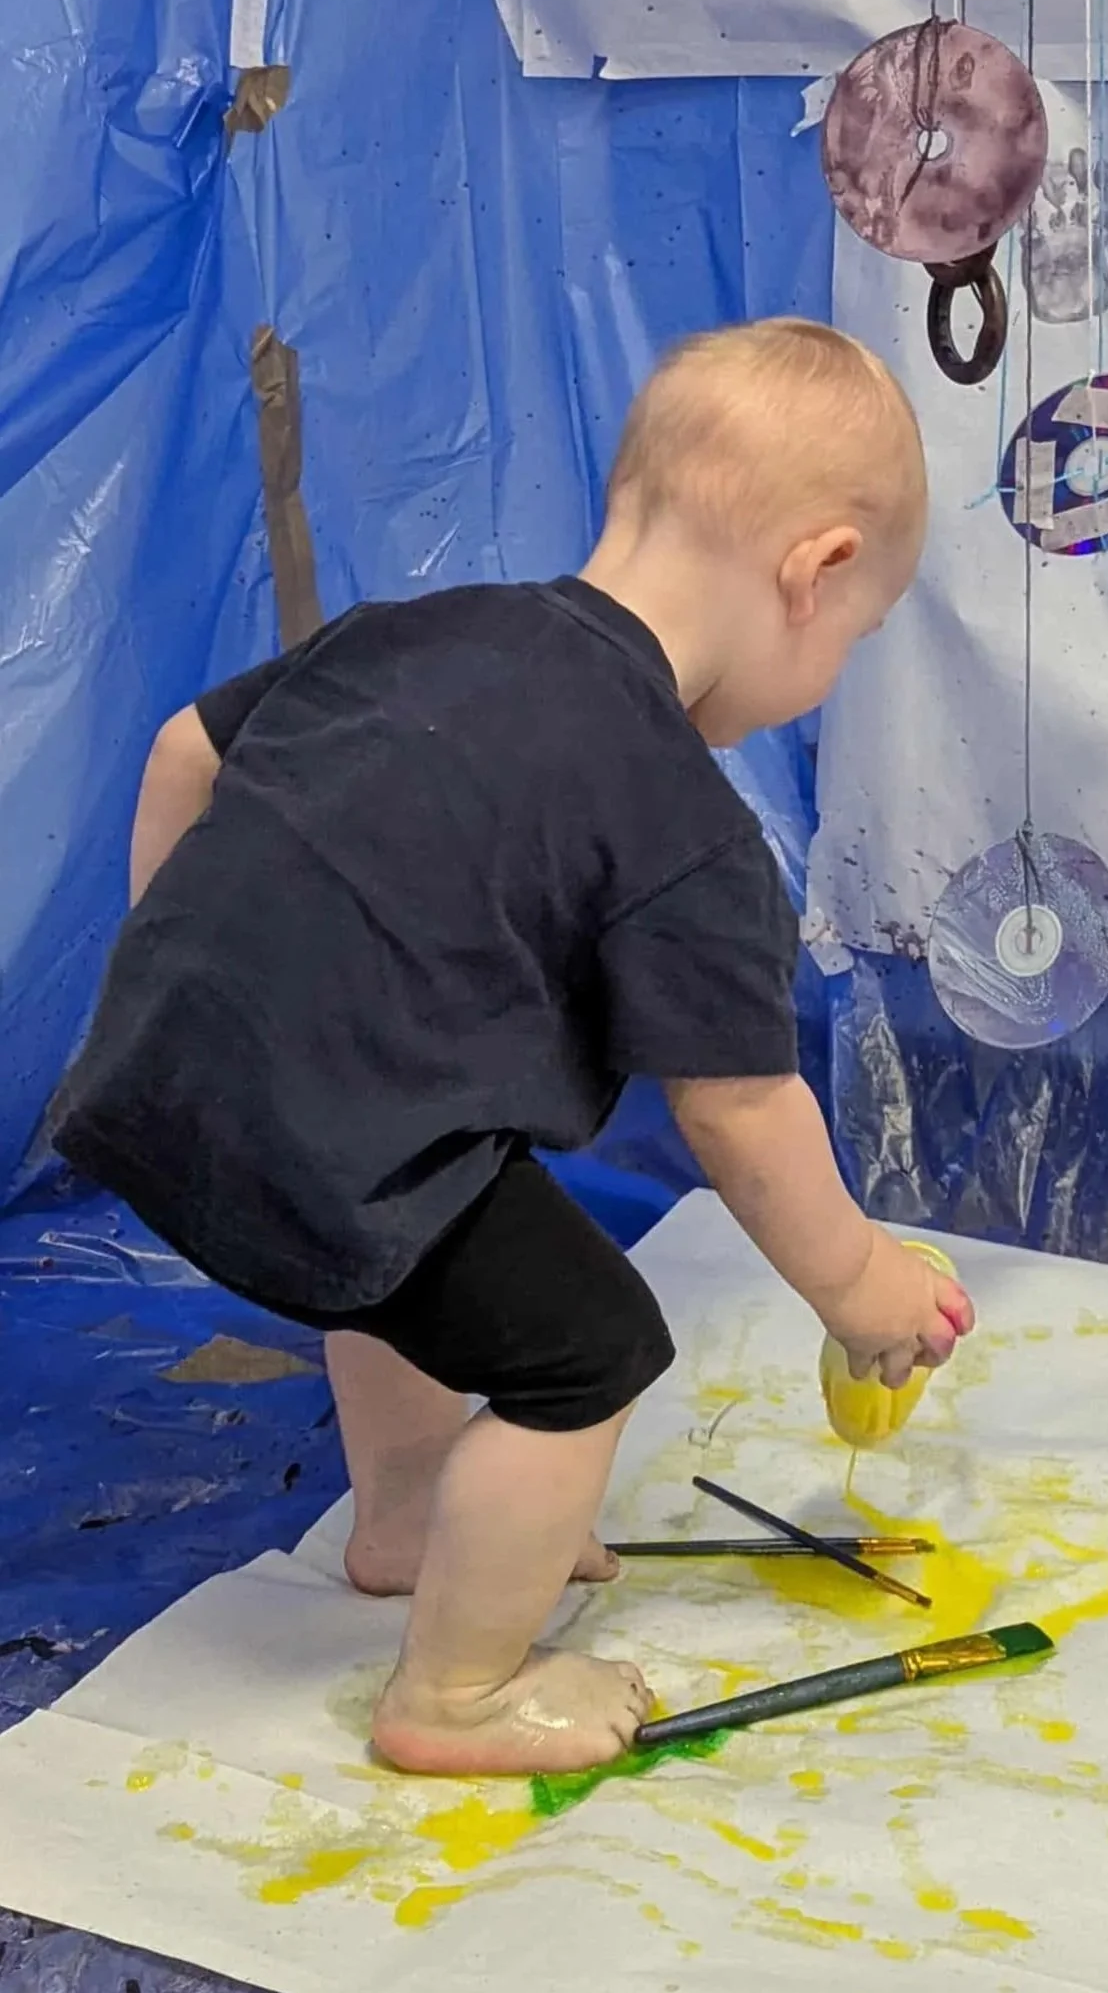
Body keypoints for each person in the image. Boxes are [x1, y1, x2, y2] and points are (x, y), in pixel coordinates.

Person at [52, 318, 973, 1778]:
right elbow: (739, 1108)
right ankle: (459, 1693)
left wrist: (178, 991)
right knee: (587, 1347)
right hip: (318, 1128)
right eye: (851, 646)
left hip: (146, 1067)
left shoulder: (422, 627)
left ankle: (411, 1520)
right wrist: (860, 1285)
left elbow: (185, 750)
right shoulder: (686, 822)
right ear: (819, 573)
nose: (832, 671)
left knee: (401, 1204)